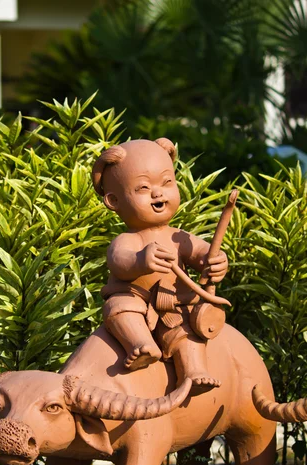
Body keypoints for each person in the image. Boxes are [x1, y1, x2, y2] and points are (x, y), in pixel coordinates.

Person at [91, 138, 228, 390]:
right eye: (143, 188)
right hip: (136, 298)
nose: (158, 193)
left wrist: (215, 260)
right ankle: (141, 345)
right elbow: (120, 262)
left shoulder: (178, 236)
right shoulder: (127, 239)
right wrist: (141, 260)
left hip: (173, 306)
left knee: (185, 334)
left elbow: (201, 252)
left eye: (167, 182)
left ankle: (193, 371)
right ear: (113, 200)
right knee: (119, 310)